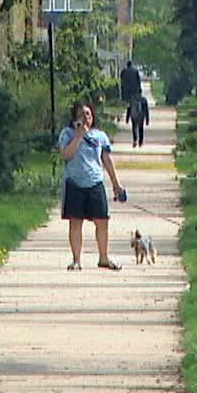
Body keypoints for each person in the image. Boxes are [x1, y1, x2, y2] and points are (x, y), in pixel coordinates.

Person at [58, 100, 125, 270]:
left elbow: (107, 160)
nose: (85, 118)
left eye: (87, 114)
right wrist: (79, 136)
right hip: (74, 182)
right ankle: (76, 260)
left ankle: (103, 257)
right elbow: (66, 154)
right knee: (75, 222)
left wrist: (116, 184)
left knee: (102, 221)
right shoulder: (67, 134)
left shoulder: (100, 136)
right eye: (80, 115)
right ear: (74, 118)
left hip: (95, 181)